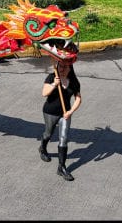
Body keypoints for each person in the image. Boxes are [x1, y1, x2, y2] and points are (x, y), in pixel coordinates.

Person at [39, 43, 82, 181]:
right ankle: (42, 148)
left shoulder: (74, 81)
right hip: (50, 111)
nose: (62, 69)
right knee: (48, 133)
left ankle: (61, 167)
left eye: (65, 66)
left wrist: (70, 111)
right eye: (60, 66)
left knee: (63, 139)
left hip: (65, 114)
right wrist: (54, 85)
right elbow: (44, 93)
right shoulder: (52, 77)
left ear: (70, 67)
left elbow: (78, 99)